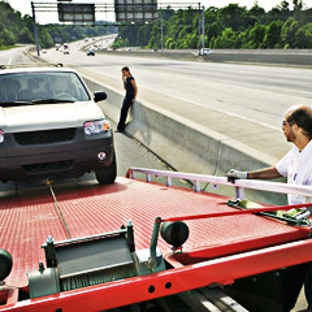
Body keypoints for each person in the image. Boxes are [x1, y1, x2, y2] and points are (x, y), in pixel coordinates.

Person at [226, 104, 312, 312]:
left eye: (284, 123)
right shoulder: (296, 150)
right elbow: (277, 170)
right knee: (290, 277)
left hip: (308, 226)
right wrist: (246, 176)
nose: (281, 128)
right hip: (298, 227)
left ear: (297, 127)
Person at [116, 66, 138, 132]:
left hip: (130, 97)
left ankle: (120, 128)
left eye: (124, 72)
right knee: (123, 111)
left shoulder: (131, 79)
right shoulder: (127, 79)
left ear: (128, 71)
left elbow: (136, 88)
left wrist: (134, 97)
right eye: (122, 72)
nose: (123, 73)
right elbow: (125, 88)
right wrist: (123, 80)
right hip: (127, 96)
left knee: (124, 112)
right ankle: (120, 127)